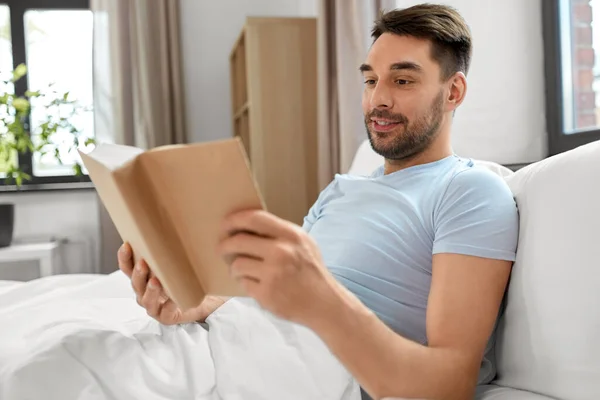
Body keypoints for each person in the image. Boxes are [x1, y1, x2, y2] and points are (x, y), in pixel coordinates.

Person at [118, 4, 519, 400]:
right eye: (370, 80)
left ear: (454, 91)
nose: (377, 99)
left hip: (313, 370)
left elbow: (449, 383)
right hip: (248, 338)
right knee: (98, 352)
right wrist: (198, 305)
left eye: (402, 81)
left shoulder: (470, 191)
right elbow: (273, 300)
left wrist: (318, 297)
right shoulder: (341, 190)